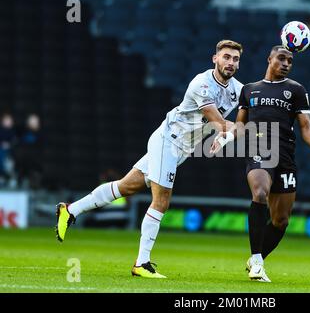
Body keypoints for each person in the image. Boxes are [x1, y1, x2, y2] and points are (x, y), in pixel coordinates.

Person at [55, 40, 244, 278]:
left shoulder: (238, 88)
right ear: (214, 59)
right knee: (162, 200)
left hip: (183, 149)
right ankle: (141, 263)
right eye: (226, 57)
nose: (231, 63)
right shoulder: (202, 83)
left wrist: (228, 135)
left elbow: (237, 124)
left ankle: (71, 210)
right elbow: (216, 118)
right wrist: (232, 132)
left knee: (125, 187)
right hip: (168, 141)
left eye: (235, 59)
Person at [211, 46, 310, 282]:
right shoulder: (249, 90)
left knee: (281, 220)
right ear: (269, 59)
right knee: (260, 192)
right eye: (281, 59)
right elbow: (240, 125)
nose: (286, 63)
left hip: (285, 154)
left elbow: (305, 127)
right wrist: (224, 137)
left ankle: (257, 258)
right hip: (260, 148)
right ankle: (257, 263)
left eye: (290, 61)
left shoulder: (296, 90)